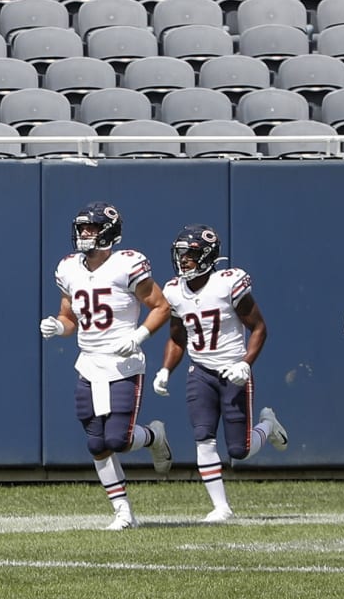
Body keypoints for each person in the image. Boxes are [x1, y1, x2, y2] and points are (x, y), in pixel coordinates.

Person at [41, 201, 174, 530]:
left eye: (92, 228)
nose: (85, 234)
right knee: (96, 442)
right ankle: (123, 511)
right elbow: (68, 316)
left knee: (118, 439)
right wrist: (59, 327)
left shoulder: (126, 264)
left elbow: (160, 306)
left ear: (108, 232)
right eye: (82, 228)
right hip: (88, 362)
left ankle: (154, 436)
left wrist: (139, 335)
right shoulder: (69, 267)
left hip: (122, 361)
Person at [152, 224, 289, 522]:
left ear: (208, 255)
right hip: (199, 370)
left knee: (240, 449)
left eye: (191, 254)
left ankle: (269, 425)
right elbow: (177, 337)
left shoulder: (228, 283)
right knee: (203, 438)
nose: (184, 260)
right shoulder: (174, 290)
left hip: (232, 369)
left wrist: (245, 363)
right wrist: (165, 369)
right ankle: (220, 507)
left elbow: (259, 328)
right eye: (181, 254)